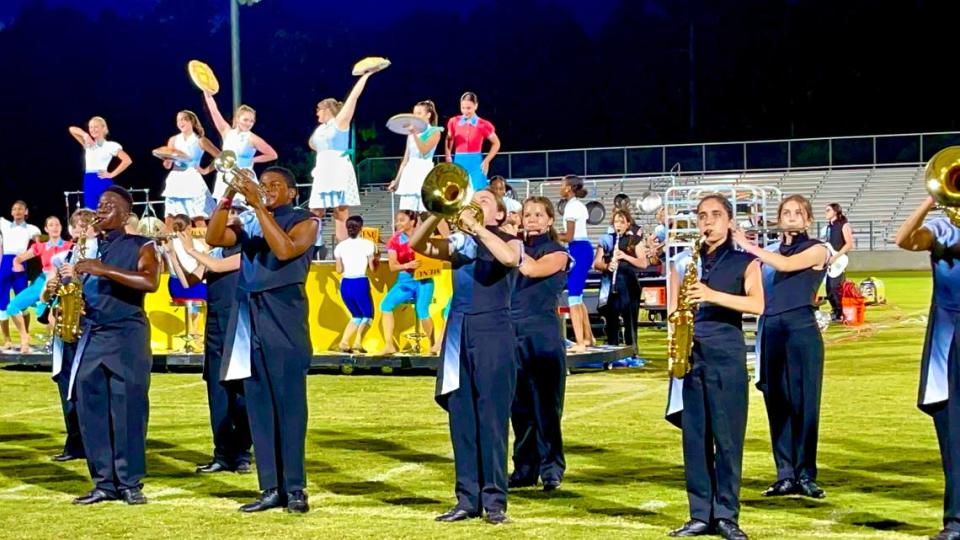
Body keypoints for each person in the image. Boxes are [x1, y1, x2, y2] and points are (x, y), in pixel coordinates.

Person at [206, 166, 318, 513]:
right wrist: (227, 195)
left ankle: (295, 488)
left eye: (275, 185)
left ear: (292, 192)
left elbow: (285, 250)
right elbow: (214, 238)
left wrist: (257, 205)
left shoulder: (305, 219)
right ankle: (270, 487)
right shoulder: (252, 222)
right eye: (263, 184)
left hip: (284, 314)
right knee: (259, 407)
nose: (267, 189)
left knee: (289, 407)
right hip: (249, 313)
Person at [410, 188, 521, 525]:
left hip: (493, 331)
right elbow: (416, 244)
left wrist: (478, 228)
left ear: (499, 214)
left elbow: (508, 259)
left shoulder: (507, 238)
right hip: (458, 331)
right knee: (461, 419)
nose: (475, 203)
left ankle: (495, 501)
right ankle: (467, 499)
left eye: (485, 201)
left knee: (492, 418)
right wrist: (437, 211)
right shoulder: (460, 246)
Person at [665, 194, 763, 540]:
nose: (708, 222)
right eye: (702, 216)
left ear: (729, 221)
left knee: (728, 440)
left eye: (716, 215)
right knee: (695, 439)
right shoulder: (685, 261)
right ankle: (699, 514)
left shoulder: (745, 261)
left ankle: (726, 516)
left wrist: (711, 295)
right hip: (692, 355)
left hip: (726, 356)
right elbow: (675, 310)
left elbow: (757, 304)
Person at [60, 186, 160, 505]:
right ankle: (103, 482)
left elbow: (150, 282)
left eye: (109, 206)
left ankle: (129, 483)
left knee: (128, 409)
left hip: (127, 335)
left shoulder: (142, 244)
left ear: (126, 215)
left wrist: (102, 269)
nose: (101, 209)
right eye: (100, 204)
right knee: (92, 412)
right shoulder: (86, 248)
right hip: (92, 335)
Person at [732, 195, 830, 500]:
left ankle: (806, 474)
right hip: (772, 328)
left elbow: (787, 265)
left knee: (804, 404)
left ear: (808, 220)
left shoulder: (818, 249)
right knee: (778, 404)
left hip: (801, 328)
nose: (791, 217)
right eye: (786, 212)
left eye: (797, 213)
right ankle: (785, 474)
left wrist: (747, 245)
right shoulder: (769, 253)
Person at [894, 196, 960, 540]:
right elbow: (903, 239)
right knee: (955, 434)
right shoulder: (941, 227)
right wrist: (933, 198)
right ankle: (957, 521)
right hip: (949, 337)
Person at [178, 205, 252, 475]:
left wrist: (192, 250)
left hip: (239, 327)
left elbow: (220, 267)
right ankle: (222, 453)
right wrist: (173, 252)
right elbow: (190, 281)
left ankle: (242, 452)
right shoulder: (215, 251)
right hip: (216, 328)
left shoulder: (248, 249)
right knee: (217, 393)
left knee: (241, 394)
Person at [508, 196, 569, 492]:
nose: (531, 219)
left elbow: (532, 270)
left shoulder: (558, 252)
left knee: (546, 406)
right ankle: (524, 468)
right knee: (518, 407)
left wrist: (511, 243)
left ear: (549, 220)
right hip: (512, 332)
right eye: (526, 214)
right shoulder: (514, 247)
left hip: (542, 334)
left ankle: (551, 469)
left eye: (537, 214)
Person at [43, 208, 97, 463]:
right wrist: (49, 290)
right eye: (76, 226)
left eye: (85, 226)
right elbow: (48, 295)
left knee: (86, 388)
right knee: (66, 387)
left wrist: (76, 276)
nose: (80, 230)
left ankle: (91, 442)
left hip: (88, 328)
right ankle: (74, 442)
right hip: (65, 328)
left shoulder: (97, 254)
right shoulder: (63, 256)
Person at [308, 71, 378, 242]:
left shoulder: (340, 122)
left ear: (326, 109)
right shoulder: (321, 128)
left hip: (337, 168)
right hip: (324, 167)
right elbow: (312, 143)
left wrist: (365, 76)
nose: (317, 113)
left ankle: (345, 248)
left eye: (319, 109)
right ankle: (312, 245)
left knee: (340, 211)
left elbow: (353, 98)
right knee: (316, 209)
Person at [6, 216, 72, 353]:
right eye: (51, 225)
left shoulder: (69, 246)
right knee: (12, 307)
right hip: (42, 281)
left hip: (59, 283)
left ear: (61, 227)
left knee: (49, 313)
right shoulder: (40, 247)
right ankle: (25, 337)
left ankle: (58, 343)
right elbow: (19, 258)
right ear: (46, 229)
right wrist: (16, 264)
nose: (55, 227)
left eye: (57, 224)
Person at [202, 91, 278, 204]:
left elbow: (272, 155)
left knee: (245, 214)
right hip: (225, 178)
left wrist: (252, 160)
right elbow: (214, 112)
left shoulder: (252, 138)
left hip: (244, 177)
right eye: (245, 120)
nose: (249, 123)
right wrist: (207, 94)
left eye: (252, 121)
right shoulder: (227, 132)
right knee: (224, 213)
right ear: (237, 119)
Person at [378, 210, 435, 355]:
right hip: (405, 281)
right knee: (385, 305)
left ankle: (433, 346)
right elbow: (392, 266)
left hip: (424, 280)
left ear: (413, 222)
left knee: (422, 310)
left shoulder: (425, 236)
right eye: (397, 220)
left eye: (402, 220)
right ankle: (389, 344)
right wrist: (407, 266)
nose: (398, 224)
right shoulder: (394, 240)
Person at [594, 208, 648, 354]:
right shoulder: (607, 239)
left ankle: (632, 348)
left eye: (622, 222)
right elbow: (596, 263)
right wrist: (607, 266)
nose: (618, 224)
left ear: (628, 224)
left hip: (629, 282)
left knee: (630, 316)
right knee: (611, 317)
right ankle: (613, 348)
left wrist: (624, 256)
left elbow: (643, 263)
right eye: (616, 221)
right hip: (610, 280)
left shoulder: (634, 240)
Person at [160, 110, 220, 227]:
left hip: (192, 179)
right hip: (175, 179)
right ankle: (172, 244)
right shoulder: (173, 140)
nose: (180, 122)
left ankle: (204, 244)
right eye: (178, 120)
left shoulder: (200, 140)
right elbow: (167, 165)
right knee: (170, 216)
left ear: (191, 121)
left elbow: (220, 156)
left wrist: (206, 170)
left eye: (183, 119)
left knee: (197, 216)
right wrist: (167, 159)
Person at [557, 175, 595, 352]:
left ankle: (580, 342)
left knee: (573, 295)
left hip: (578, 249)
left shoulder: (572, 207)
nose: (560, 187)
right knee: (578, 296)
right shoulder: (578, 205)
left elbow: (569, 236)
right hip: (582, 249)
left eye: (562, 184)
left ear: (569, 188)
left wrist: (551, 235)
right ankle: (588, 337)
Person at [0, 201, 41, 350]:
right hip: (5, 263)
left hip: (20, 263)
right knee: (2, 304)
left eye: (21, 209)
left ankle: (26, 335)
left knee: (22, 302)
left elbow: (39, 246)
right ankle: (7, 340)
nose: (17, 211)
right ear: (11, 212)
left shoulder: (32, 229)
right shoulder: (3, 224)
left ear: (26, 212)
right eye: (14, 209)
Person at [388, 100, 443, 213]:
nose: (415, 116)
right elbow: (405, 160)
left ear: (428, 115)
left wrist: (414, 134)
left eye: (419, 113)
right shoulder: (411, 134)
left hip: (424, 171)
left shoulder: (434, 131)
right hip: (410, 173)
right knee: (407, 212)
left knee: (424, 212)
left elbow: (424, 150)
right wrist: (396, 181)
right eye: (414, 113)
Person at [68, 117, 133, 210]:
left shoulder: (111, 145)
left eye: (96, 127)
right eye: (91, 127)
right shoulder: (88, 144)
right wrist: (85, 135)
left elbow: (127, 160)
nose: (93, 130)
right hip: (89, 179)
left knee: (105, 209)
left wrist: (111, 174)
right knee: (90, 210)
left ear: (103, 128)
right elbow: (71, 129)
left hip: (101, 178)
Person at [334, 216, 376, 353]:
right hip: (360, 282)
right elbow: (373, 268)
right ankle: (358, 342)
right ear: (361, 228)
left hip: (346, 283)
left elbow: (339, 270)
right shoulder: (368, 244)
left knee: (356, 315)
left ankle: (344, 342)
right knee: (368, 315)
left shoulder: (340, 246)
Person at [445, 92, 501, 192]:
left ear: (476, 106)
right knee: (459, 191)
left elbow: (496, 143)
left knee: (477, 193)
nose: (465, 111)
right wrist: (448, 156)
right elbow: (449, 139)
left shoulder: (483, 124)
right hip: (459, 162)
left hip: (476, 163)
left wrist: (487, 160)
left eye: (468, 108)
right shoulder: (454, 121)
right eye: (463, 108)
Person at [821, 203, 854, 322]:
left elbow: (849, 244)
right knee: (829, 288)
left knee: (835, 287)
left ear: (835, 211)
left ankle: (840, 313)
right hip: (832, 260)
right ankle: (836, 311)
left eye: (828, 210)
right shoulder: (829, 227)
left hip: (839, 259)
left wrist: (836, 256)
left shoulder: (844, 225)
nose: (825, 212)